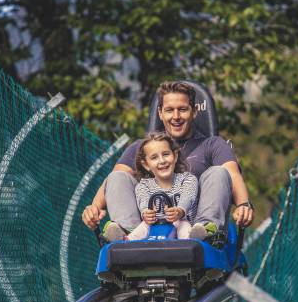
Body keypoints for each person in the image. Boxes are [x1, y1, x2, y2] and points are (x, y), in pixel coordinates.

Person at [82, 80, 254, 241]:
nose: (176, 116)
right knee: (118, 176)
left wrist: (243, 205)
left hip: (192, 225)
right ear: (160, 113)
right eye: (170, 110)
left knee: (218, 172)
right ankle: (127, 236)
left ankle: (205, 232)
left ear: (194, 112)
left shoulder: (213, 144)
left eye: (183, 109)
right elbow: (113, 180)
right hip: (147, 227)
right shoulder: (142, 148)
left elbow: (232, 174)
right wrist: (95, 208)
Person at [123, 132, 197, 241]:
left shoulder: (188, 179)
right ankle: (125, 241)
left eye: (166, 154)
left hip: (181, 221)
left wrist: (179, 211)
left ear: (175, 156)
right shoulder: (144, 185)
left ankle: (189, 241)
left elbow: (188, 196)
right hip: (154, 225)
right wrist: (145, 212)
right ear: (146, 165)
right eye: (154, 157)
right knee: (143, 226)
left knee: (183, 226)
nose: (162, 161)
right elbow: (143, 200)